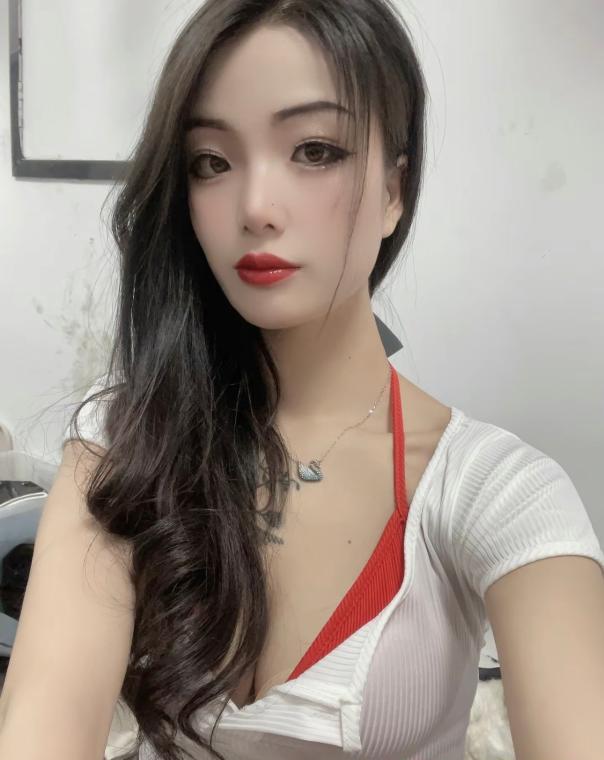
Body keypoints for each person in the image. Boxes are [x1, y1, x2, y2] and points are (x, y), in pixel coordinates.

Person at [1, 1, 603, 759]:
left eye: (315, 150)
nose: (256, 207)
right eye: (211, 162)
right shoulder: (125, 437)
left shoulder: (493, 492)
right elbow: (43, 727)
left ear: (395, 190)